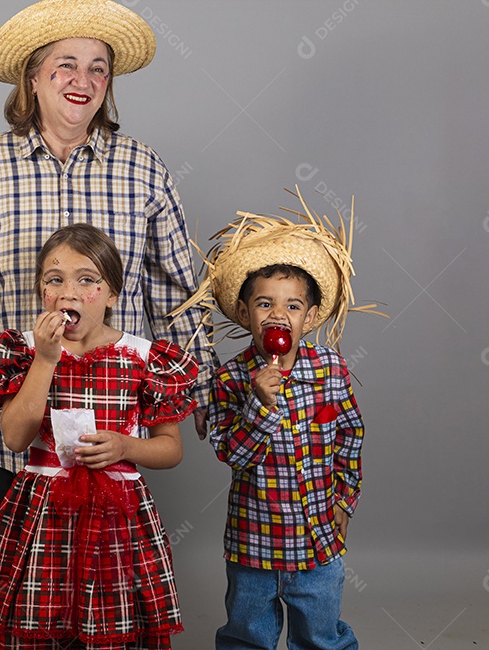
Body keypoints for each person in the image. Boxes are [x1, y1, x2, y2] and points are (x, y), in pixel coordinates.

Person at [0, 0, 217, 517]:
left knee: (103, 573)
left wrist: (200, 380)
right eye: (65, 64)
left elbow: (176, 287)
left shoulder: (141, 166)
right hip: (18, 428)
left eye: (98, 69)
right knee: (32, 583)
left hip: (115, 422)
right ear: (32, 78)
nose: (82, 80)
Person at [0, 223, 197, 649]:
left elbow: (171, 449)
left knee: (110, 620)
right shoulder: (22, 350)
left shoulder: (144, 358)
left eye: (87, 280)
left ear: (113, 294)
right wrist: (45, 360)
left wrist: (126, 446)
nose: (68, 293)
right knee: (35, 618)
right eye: (54, 280)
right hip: (43, 512)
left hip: (118, 518)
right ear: (42, 293)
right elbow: (16, 438)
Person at [173, 194, 376, 649]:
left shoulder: (330, 369)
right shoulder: (230, 379)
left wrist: (345, 499)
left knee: (322, 638)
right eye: (264, 304)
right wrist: (260, 404)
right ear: (245, 314)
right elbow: (232, 454)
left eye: (292, 306)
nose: (278, 315)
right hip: (254, 546)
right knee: (247, 638)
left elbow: (350, 436)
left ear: (309, 316)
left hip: (318, 541)